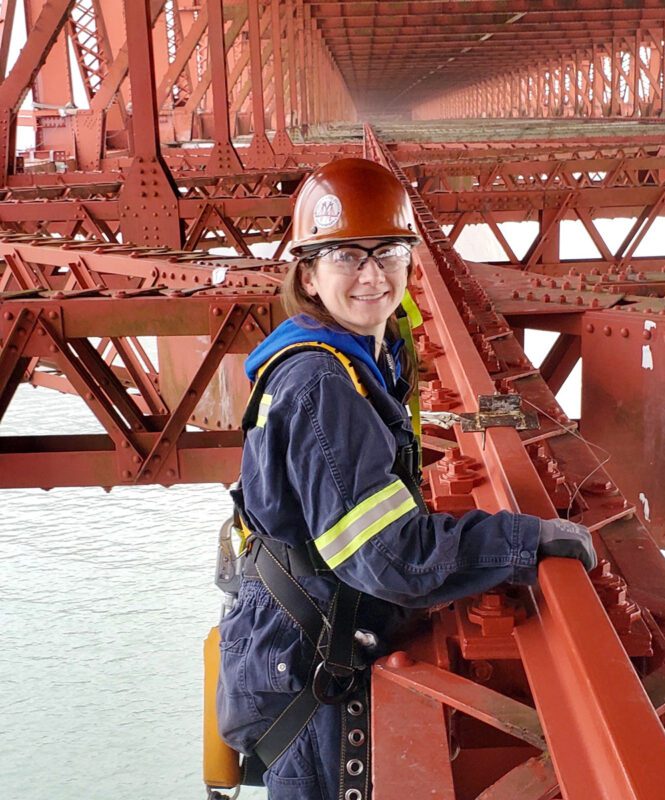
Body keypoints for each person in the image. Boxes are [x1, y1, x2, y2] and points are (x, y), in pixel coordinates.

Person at [216, 157, 596, 800]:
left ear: (410, 261)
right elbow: (387, 557)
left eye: (387, 252)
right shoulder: (321, 384)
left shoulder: (366, 352)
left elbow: (397, 450)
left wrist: (502, 414)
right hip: (309, 669)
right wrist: (523, 541)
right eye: (346, 256)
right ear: (307, 275)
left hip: (295, 644)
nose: (371, 274)